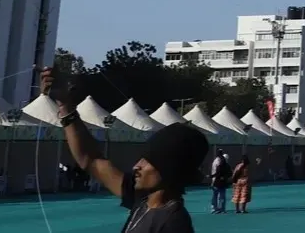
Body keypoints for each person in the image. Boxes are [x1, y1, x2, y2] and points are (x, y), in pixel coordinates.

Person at [41, 66, 206, 233]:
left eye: (149, 161)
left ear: (170, 168)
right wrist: (64, 105)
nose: (136, 166)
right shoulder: (142, 200)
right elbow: (91, 160)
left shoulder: (173, 223)